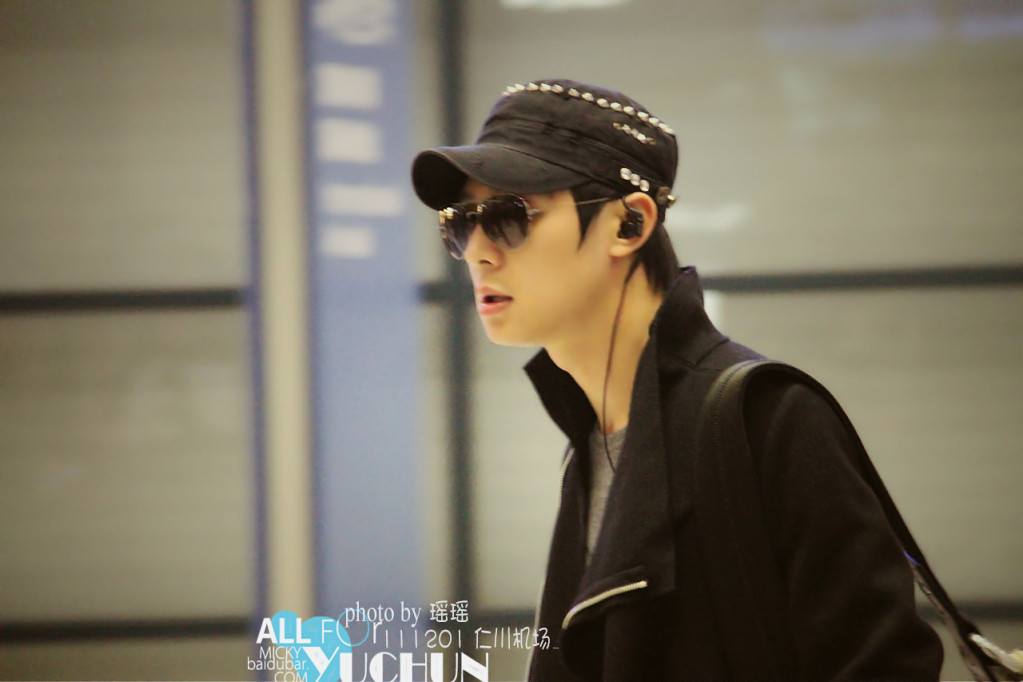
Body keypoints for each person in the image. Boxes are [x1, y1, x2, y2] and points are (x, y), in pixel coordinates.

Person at [410, 78, 943, 681]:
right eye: (460, 224)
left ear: (628, 225)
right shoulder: (591, 444)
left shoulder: (767, 416)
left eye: (509, 218)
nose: (478, 252)